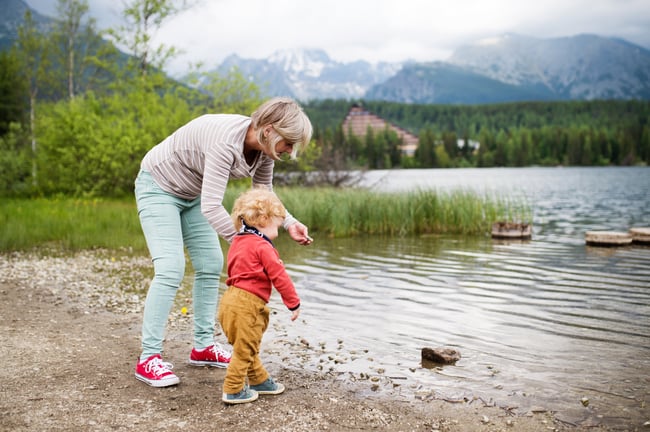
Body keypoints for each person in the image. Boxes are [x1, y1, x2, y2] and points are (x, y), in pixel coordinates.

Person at [133, 97, 313, 388]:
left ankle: (203, 347)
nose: (290, 150)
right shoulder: (224, 142)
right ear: (269, 130)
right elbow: (212, 206)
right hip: (158, 186)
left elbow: (264, 195)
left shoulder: (266, 152)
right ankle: (148, 358)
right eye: (288, 142)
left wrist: (290, 223)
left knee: (211, 263)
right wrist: (247, 243)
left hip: (192, 195)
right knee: (171, 267)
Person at [218, 187, 302, 404]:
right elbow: (279, 276)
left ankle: (259, 380)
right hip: (248, 304)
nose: (279, 229)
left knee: (247, 345)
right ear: (264, 219)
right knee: (244, 350)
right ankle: (233, 389)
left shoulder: (238, 241)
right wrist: (293, 303)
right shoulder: (263, 246)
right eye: (277, 224)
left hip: (229, 300)